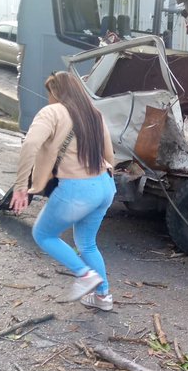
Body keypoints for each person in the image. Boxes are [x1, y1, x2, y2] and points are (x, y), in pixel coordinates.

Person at [10, 71, 116, 310]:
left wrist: (21, 187)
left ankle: (84, 274)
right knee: (87, 243)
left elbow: (30, 144)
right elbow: (109, 154)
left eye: (50, 92)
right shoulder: (94, 114)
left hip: (77, 189)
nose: (48, 98)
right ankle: (103, 296)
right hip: (105, 185)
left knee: (43, 235)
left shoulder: (53, 112)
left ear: (55, 92)